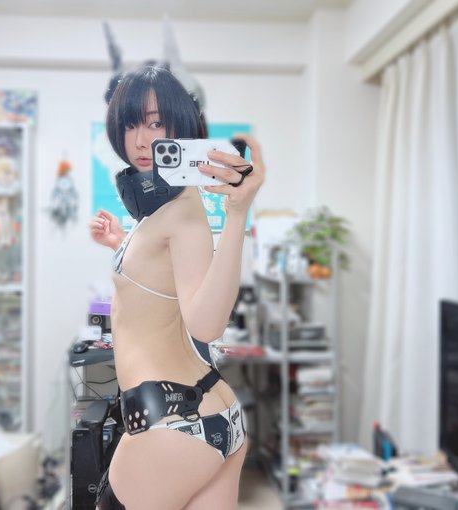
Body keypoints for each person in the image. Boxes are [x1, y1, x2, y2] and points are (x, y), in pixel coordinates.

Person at [89, 64, 265, 510]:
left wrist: (237, 215)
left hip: (171, 422)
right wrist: (120, 244)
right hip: (211, 412)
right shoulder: (160, 211)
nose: (140, 140)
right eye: (130, 124)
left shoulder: (182, 211)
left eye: (155, 124)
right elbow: (158, 282)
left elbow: (205, 324)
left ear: (181, 126)